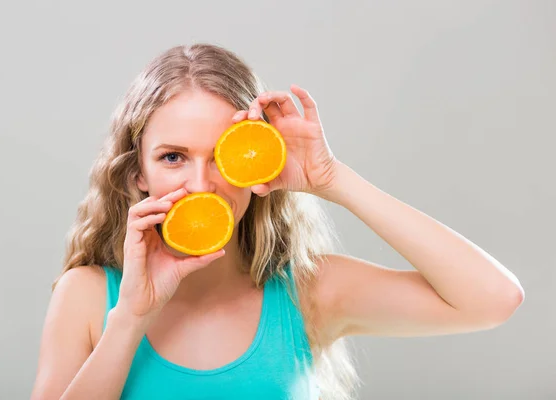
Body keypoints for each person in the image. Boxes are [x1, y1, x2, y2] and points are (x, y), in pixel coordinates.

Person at [31, 43, 524, 400]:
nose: (202, 187)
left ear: (256, 165)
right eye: (174, 157)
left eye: (224, 158)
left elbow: (494, 299)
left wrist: (334, 179)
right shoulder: (88, 297)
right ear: (138, 171)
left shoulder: (308, 291)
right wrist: (130, 319)